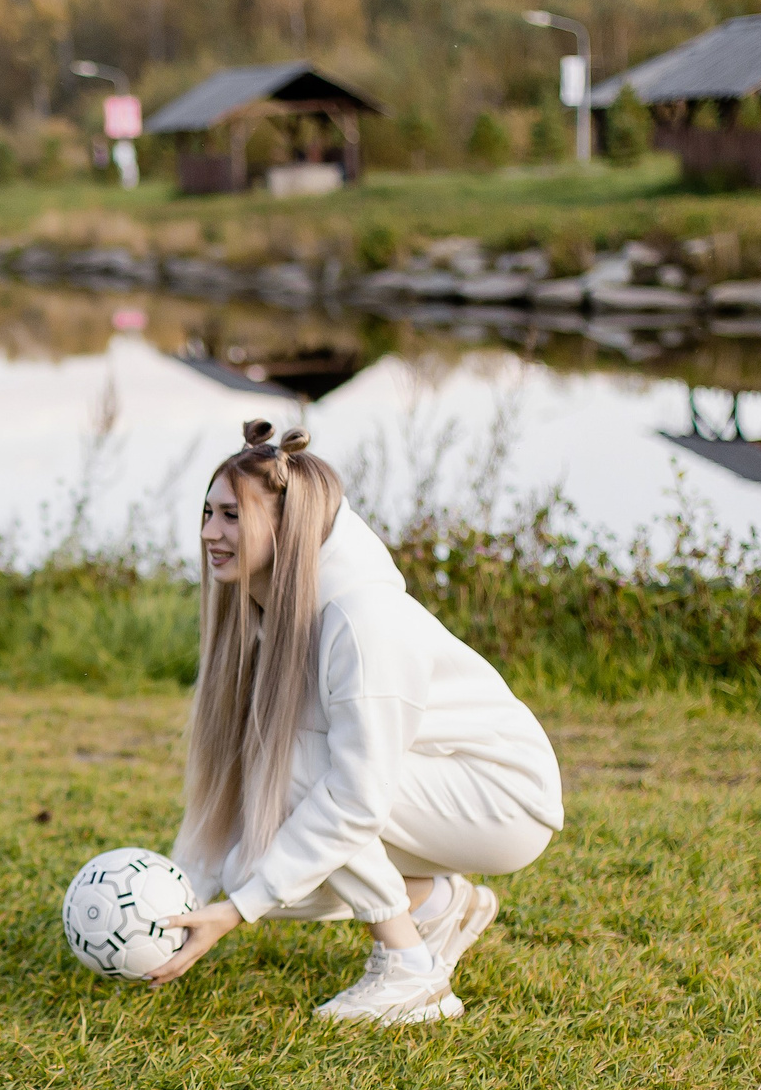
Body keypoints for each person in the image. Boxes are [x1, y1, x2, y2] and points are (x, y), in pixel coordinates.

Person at [151, 423, 563, 1023]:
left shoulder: (362, 617)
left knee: (286, 772)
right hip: (418, 787)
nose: (211, 533)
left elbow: (356, 796)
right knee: (247, 862)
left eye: (233, 516)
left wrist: (235, 912)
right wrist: (173, 899)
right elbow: (230, 790)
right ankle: (438, 903)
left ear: (287, 527)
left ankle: (408, 971)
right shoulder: (267, 611)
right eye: (208, 512)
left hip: (503, 798)